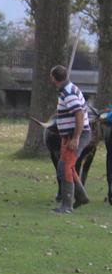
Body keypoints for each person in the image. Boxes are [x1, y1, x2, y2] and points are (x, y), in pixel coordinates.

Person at [49, 65, 90, 213]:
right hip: (68, 136)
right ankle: (82, 197)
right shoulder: (66, 91)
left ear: (54, 78)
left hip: (77, 135)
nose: (50, 80)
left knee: (65, 166)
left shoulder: (68, 93)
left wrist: (76, 138)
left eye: (51, 77)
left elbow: (79, 114)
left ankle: (67, 206)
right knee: (64, 166)